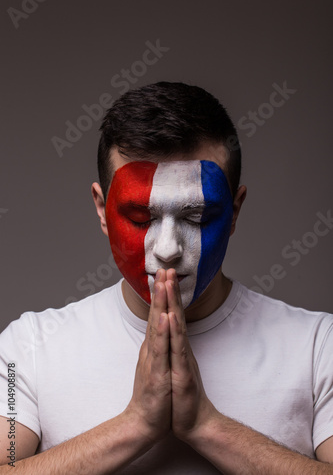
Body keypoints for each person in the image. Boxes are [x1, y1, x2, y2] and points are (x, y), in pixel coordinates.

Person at [0, 82, 332, 474]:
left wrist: (207, 426)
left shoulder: (318, 346)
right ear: (102, 209)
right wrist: (135, 424)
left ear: (235, 211)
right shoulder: (29, 348)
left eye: (197, 217)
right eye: (141, 217)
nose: (168, 248)